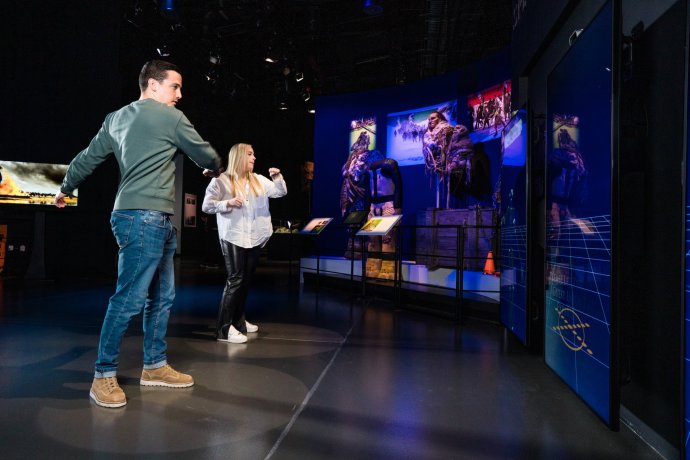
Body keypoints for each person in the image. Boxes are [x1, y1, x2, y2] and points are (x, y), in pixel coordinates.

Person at [54, 60, 223, 408]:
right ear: (154, 85)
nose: (180, 94)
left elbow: (87, 159)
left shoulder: (115, 118)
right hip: (145, 219)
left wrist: (65, 188)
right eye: (175, 86)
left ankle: (155, 366)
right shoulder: (170, 117)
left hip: (138, 216)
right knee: (130, 299)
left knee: (161, 296)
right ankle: (102, 376)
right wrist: (213, 167)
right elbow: (207, 155)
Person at [202, 143, 287, 344]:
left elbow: (280, 192)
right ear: (239, 156)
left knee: (245, 281)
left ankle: (238, 322)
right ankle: (223, 330)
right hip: (233, 236)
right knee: (235, 280)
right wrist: (227, 203)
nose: (254, 157)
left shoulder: (258, 180)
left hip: (254, 237)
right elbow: (207, 206)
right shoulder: (221, 180)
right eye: (250, 154)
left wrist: (277, 177)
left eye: (254, 154)